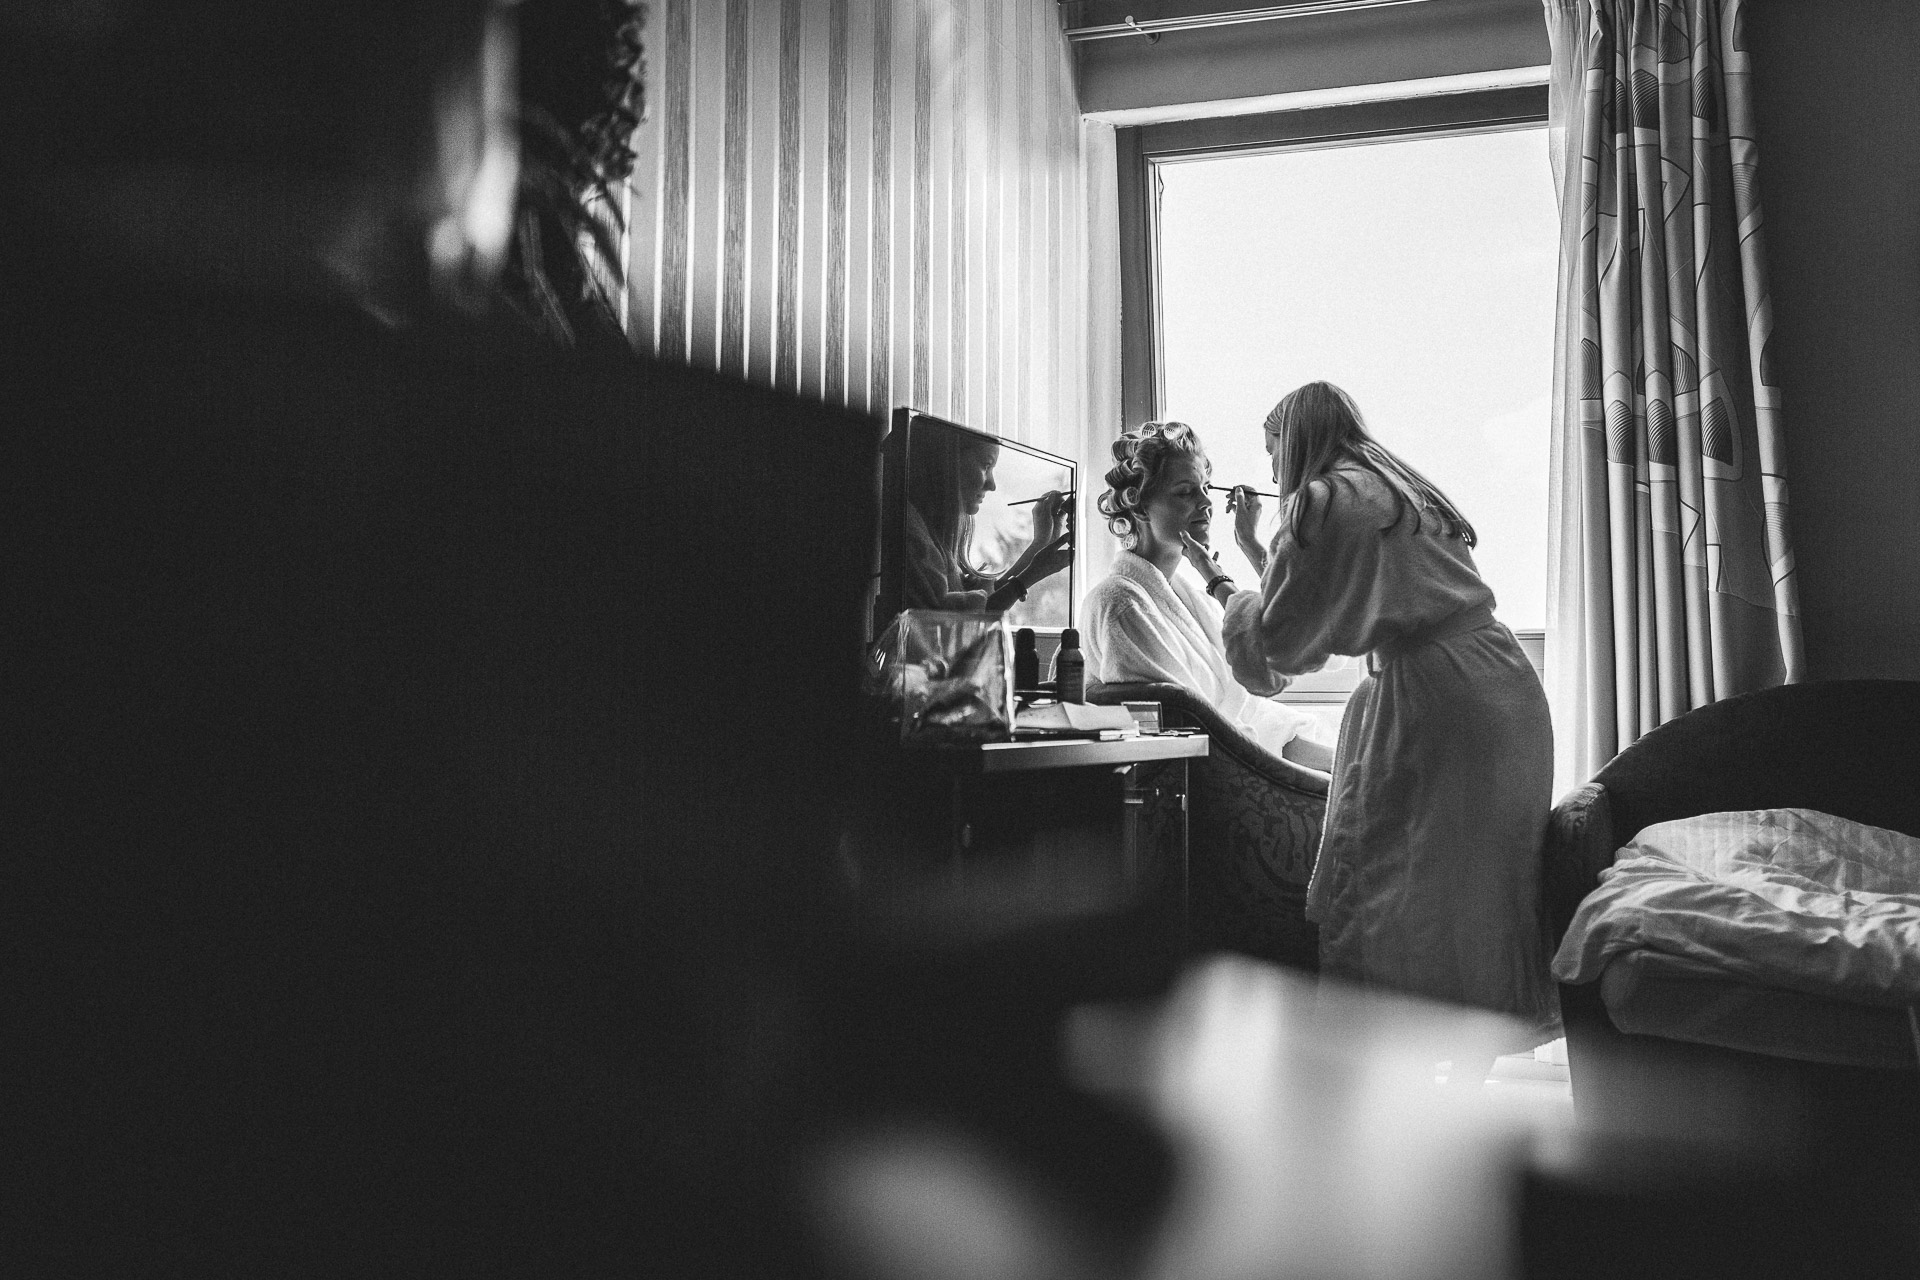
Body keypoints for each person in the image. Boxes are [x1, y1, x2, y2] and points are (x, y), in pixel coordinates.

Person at [1202, 382, 1558, 1050]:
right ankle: (1472, 1052)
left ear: (1295, 438)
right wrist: (1261, 550)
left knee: (1392, 885)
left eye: (1272, 450)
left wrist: (1225, 582)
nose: (1273, 470)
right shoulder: (1399, 491)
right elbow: (1323, 588)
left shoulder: (1319, 500)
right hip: (1501, 686)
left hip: (1434, 699)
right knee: (1479, 885)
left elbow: (1277, 647)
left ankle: (1392, 1061)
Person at [1082, 422, 1334, 770]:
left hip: (1249, 770)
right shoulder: (1120, 604)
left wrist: (1344, 770)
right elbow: (1196, 736)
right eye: (1185, 492)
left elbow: (1253, 709)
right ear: (1139, 508)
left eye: (1205, 488)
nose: (1206, 503)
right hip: (1217, 788)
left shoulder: (1192, 600)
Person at [903, 427, 1073, 612]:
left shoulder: (927, 535)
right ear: (949, 461)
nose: (992, 485)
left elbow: (983, 603)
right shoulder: (912, 536)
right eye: (986, 466)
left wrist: (1040, 543)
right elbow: (960, 622)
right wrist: (1033, 573)